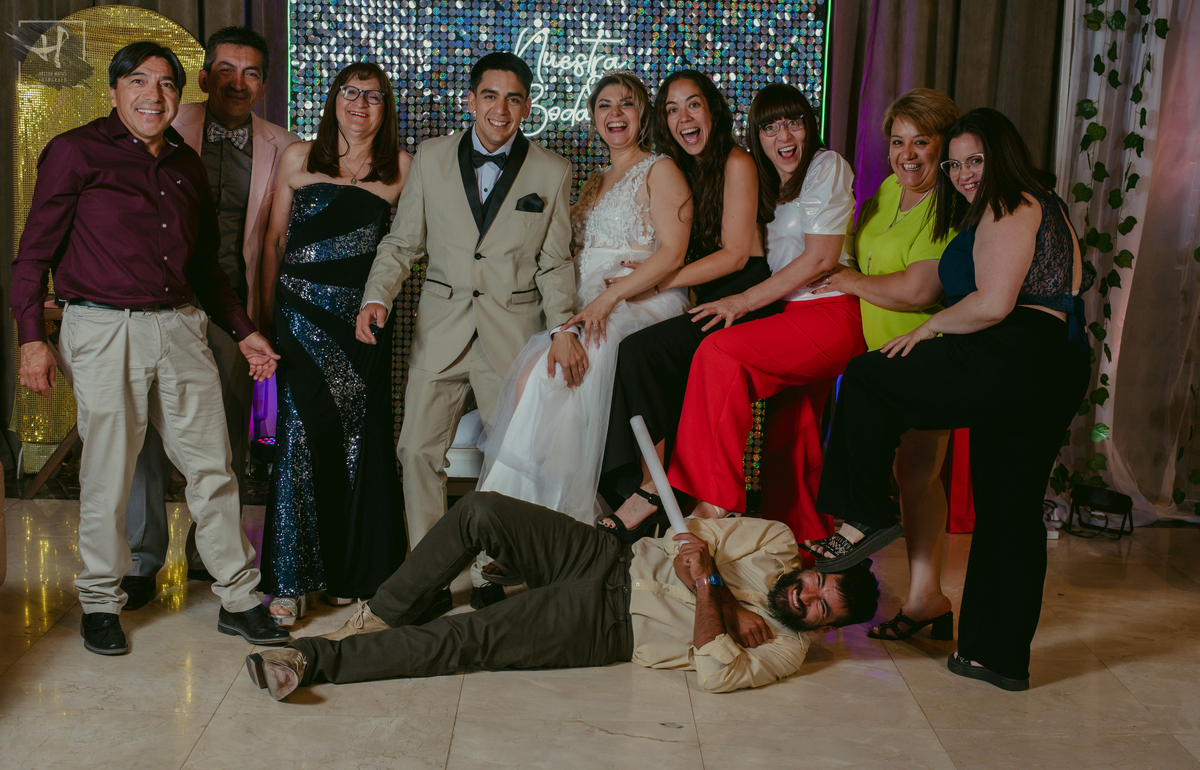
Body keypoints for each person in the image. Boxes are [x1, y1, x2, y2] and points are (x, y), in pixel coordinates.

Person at [11, 41, 290, 654]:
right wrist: (31, 339)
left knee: (213, 467)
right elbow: (32, 256)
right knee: (109, 471)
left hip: (182, 326)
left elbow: (206, 266)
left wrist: (244, 331)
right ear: (114, 91)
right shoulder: (75, 151)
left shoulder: (185, 162)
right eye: (139, 81)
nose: (153, 95)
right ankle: (99, 602)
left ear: (179, 95)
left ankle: (238, 597)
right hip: (102, 327)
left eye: (166, 84)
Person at [805, 109, 1093, 691]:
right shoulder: (1040, 202)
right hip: (1053, 362)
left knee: (868, 377)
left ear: (1002, 157)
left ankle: (864, 514)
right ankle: (994, 657)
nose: (963, 174)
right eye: (956, 164)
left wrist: (928, 328)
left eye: (975, 160)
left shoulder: (1009, 201)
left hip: (1015, 350)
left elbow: (994, 302)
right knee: (1009, 509)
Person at [242, 490, 880, 700]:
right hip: (606, 556)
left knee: (467, 639)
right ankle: (380, 616)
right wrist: (725, 599)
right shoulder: (776, 542)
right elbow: (692, 541)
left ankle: (312, 659)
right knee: (480, 510)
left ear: (826, 628)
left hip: (606, 624)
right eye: (817, 582)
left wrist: (710, 584)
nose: (807, 597)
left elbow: (716, 674)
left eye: (822, 608)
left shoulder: (785, 650)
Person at [354, 52, 580, 615]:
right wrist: (377, 295)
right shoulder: (431, 158)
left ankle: (489, 570)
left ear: (527, 106)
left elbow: (555, 263)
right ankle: (427, 576)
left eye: (513, 98)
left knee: (509, 459)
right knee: (416, 450)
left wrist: (563, 328)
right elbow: (402, 243)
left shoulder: (552, 171)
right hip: (441, 331)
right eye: (490, 96)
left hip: (513, 335)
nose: (500, 109)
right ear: (471, 99)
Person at [120, 26, 299, 611]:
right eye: (225, 70)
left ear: (264, 85)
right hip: (160, 302)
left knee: (224, 438)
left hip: (231, 310)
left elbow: (277, 242)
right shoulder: (164, 122)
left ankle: (209, 552)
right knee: (146, 435)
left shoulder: (284, 146)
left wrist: (261, 320)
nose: (237, 83)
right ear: (203, 77)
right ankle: (143, 558)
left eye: (251, 73)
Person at [476, 72, 692, 527]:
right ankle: (518, 519)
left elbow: (673, 252)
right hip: (588, 299)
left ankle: (559, 518)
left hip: (638, 298)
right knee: (532, 374)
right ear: (593, 117)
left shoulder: (660, 169)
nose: (616, 114)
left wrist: (609, 299)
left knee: (576, 363)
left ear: (643, 114)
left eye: (626, 104)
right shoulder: (593, 181)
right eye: (604, 105)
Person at [666, 83, 863, 545]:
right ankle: (800, 550)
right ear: (757, 136)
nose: (784, 135)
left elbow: (819, 258)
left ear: (809, 126)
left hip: (830, 313)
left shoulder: (826, 165)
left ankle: (713, 499)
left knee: (718, 353)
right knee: (791, 439)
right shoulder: (771, 185)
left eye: (794, 122)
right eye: (770, 127)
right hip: (792, 314)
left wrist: (742, 301)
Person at [257, 62, 412, 624]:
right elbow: (274, 241)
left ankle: (349, 572)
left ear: (385, 107)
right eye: (351, 92)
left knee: (359, 442)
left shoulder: (402, 167)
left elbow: (409, 244)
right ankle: (290, 581)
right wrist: (264, 320)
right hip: (298, 320)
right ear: (334, 99)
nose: (360, 104)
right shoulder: (299, 157)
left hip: (362, 324)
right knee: (300, 435)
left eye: (373, 96)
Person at [596, 70, 776, 537]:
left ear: (712, 109)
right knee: (638, 351)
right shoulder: (676, 168)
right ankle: (645, 488)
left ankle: (652, 489)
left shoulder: (737, 161)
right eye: (672, 110)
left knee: (640, 353)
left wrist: (655, 285)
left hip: (743, 297)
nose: (684, 118)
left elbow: (736, 255)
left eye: (693, 104)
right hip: (703, 295)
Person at [813, 88, 961, 641]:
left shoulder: (949, 205)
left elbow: (920, 288)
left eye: (921, 141)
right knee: (911, 477)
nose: (908, 155)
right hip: (876, 357)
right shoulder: (886, 193)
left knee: (917, 477)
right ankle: (926, 599)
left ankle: (923, 593)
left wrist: (850, 280)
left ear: (944, 144)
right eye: (898, 142)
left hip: (922, 354)